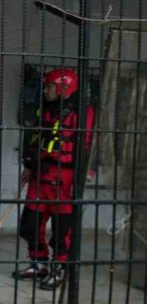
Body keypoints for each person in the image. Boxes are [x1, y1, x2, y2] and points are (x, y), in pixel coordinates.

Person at [15, 67, 95, 290]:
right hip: (40, 177)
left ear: (63, 88)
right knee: (29, 225)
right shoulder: (45, 110)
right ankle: (38, 262)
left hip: (66, 179)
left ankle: (60, 269)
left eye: (50, 86)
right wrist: (28, 165)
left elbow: (90, 144)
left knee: (62, 231)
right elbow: (33, 138)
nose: (46, 90)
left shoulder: (83, 113)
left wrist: (87, 172)